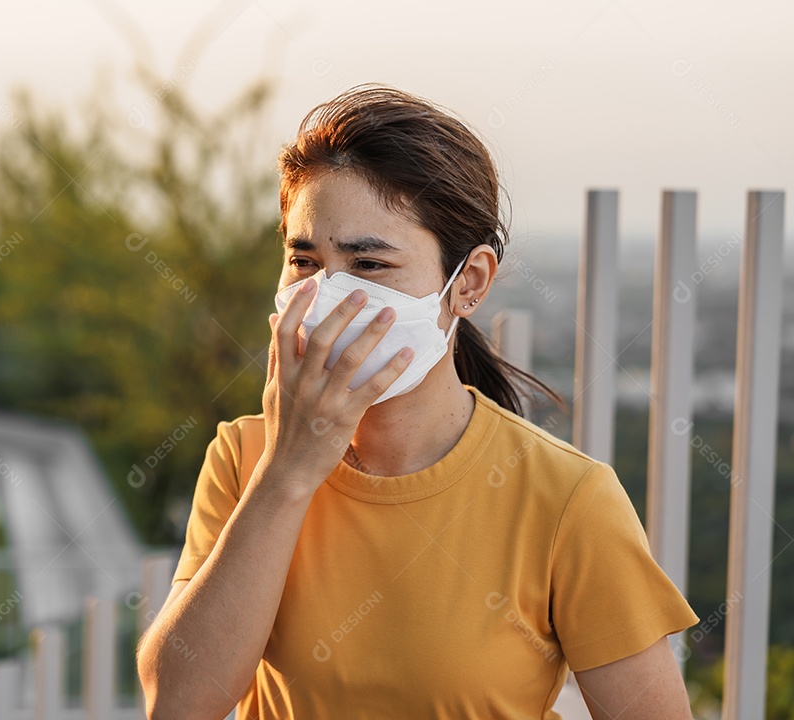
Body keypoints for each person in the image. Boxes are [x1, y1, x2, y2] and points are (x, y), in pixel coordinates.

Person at [136, 84, 699, 719]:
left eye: (369, 264)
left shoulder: (566, 498)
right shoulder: (245, 456)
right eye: (304, 259)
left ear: (470, 284)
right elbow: (178, 703)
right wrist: (286, 475)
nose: (327, 293)